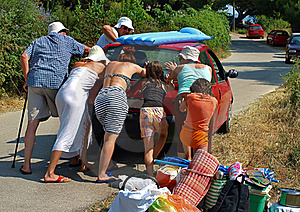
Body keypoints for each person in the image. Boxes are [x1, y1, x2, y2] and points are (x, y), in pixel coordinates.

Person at [20, 21, 90, 175]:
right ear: (62, 31)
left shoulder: (38, 41)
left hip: (35, 82)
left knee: (32, 124)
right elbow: (86, 50)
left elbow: (24, 56)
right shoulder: (68, 40)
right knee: (68, 120)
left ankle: (26, 165)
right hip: (56, 82)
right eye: (65, 31)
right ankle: (73, 159)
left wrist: (27, 79)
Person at [43, 45, 109, 183]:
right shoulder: (101, 67)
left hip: (62, 95)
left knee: (85, 126)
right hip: (75, 96)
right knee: (67, 132)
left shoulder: (78, 64)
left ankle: (80, 161)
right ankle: (50, 173)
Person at [94, 53, 146, 183]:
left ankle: (109, 163)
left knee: (107, 132)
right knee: (110, 139)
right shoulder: (132, 66)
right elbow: (147, 73)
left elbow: (99, 76)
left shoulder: (110, 64)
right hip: (116, 96)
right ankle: (102, 174)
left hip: (101, 97)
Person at [164, 46, 212, 160]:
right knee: (203, 132)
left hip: (185, 98)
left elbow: (171, 79)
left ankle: (186, 161)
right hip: (205, 101)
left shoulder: (180, 68)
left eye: (180, 58)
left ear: (184, 58)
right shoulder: (208, 68)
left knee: (183, 132)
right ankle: (201, 160)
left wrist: (173, 70)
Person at [139, 61, 174, 176]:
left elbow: (144, 74)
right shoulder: (163, 85)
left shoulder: (144, 83)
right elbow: (172, 87)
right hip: (158, 111)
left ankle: (150, 174)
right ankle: (154, 158)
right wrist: (169, 80)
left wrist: (147, 66)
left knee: (147, 147)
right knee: (163, 134)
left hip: (145, 112)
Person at [179, 78, 217, 159]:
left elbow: (181, 109)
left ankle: (188, 160)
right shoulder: (214, 101)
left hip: (187, 133)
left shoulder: (189, 97)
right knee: (199, 161)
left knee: (187, 160)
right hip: (201, 135)